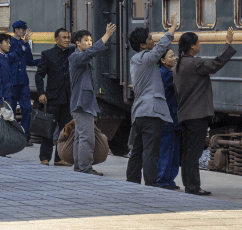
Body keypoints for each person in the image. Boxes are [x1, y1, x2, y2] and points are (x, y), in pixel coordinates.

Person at [176, 27, 236, 196]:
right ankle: (194, 187)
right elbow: (216, 63)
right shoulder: (195, 63)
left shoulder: (179, 64)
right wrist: (228, 44)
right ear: (192, 47)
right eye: (198, 43)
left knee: (188, 151)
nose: (200, 45)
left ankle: (189, 185)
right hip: (197, 115)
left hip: (185, 114)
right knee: (193, 153)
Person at [125, 16, 177, 186]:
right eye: (149, 39)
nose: (152, 40)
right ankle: (151, 184)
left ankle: (132, 180)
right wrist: (171, 30)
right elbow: (159, 49)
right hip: (150, 112)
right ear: (142, 45)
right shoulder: (145, 58)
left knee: (138, 150)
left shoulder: (137, 61)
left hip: (140, 112)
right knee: (150, 151)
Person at [69, 23, 117, 175]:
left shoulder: (79, 57)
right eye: (86, 40)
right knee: (87, 138)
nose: (89, 43)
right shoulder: (76, 56)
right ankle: (85, 167)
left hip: (83, 103)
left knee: (80, 137)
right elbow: (90, 53)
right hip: (81, 104)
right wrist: (107, 36)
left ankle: (80, 166)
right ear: (77, 43)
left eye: (90, 40)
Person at [35, 27, 74, 166]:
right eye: (64, 37)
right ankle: (44, 158)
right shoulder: (48, 54)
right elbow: (39, 75)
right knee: (48, 129)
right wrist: (41, 93)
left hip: (68, 98)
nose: (67, 40)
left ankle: (59, 158)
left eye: (68, 37)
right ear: (56, 39)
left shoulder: (73, 52)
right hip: (52, 97)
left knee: (65, 130)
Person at [8, 20, 38, 143]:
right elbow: (11, 58)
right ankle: (11, 136)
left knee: (27, 109)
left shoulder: (25, 43)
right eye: (22, 30)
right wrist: (24, 44)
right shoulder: (9, 43)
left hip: (23, 82)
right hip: (12, 82)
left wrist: (45, 59)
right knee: (11, 110)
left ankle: (24, 136)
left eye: (25, 30)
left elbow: (30, 61)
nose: (25, 32)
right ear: (16, 30)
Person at [156, 48, 181, 189]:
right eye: (171, 56)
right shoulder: (166, 74)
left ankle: (168, 179)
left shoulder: (165, 73)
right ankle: (163, 180)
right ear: (163, 60)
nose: (174, 58)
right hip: (169, 117)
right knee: (167, 149)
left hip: (172, 117)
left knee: (171, 149)